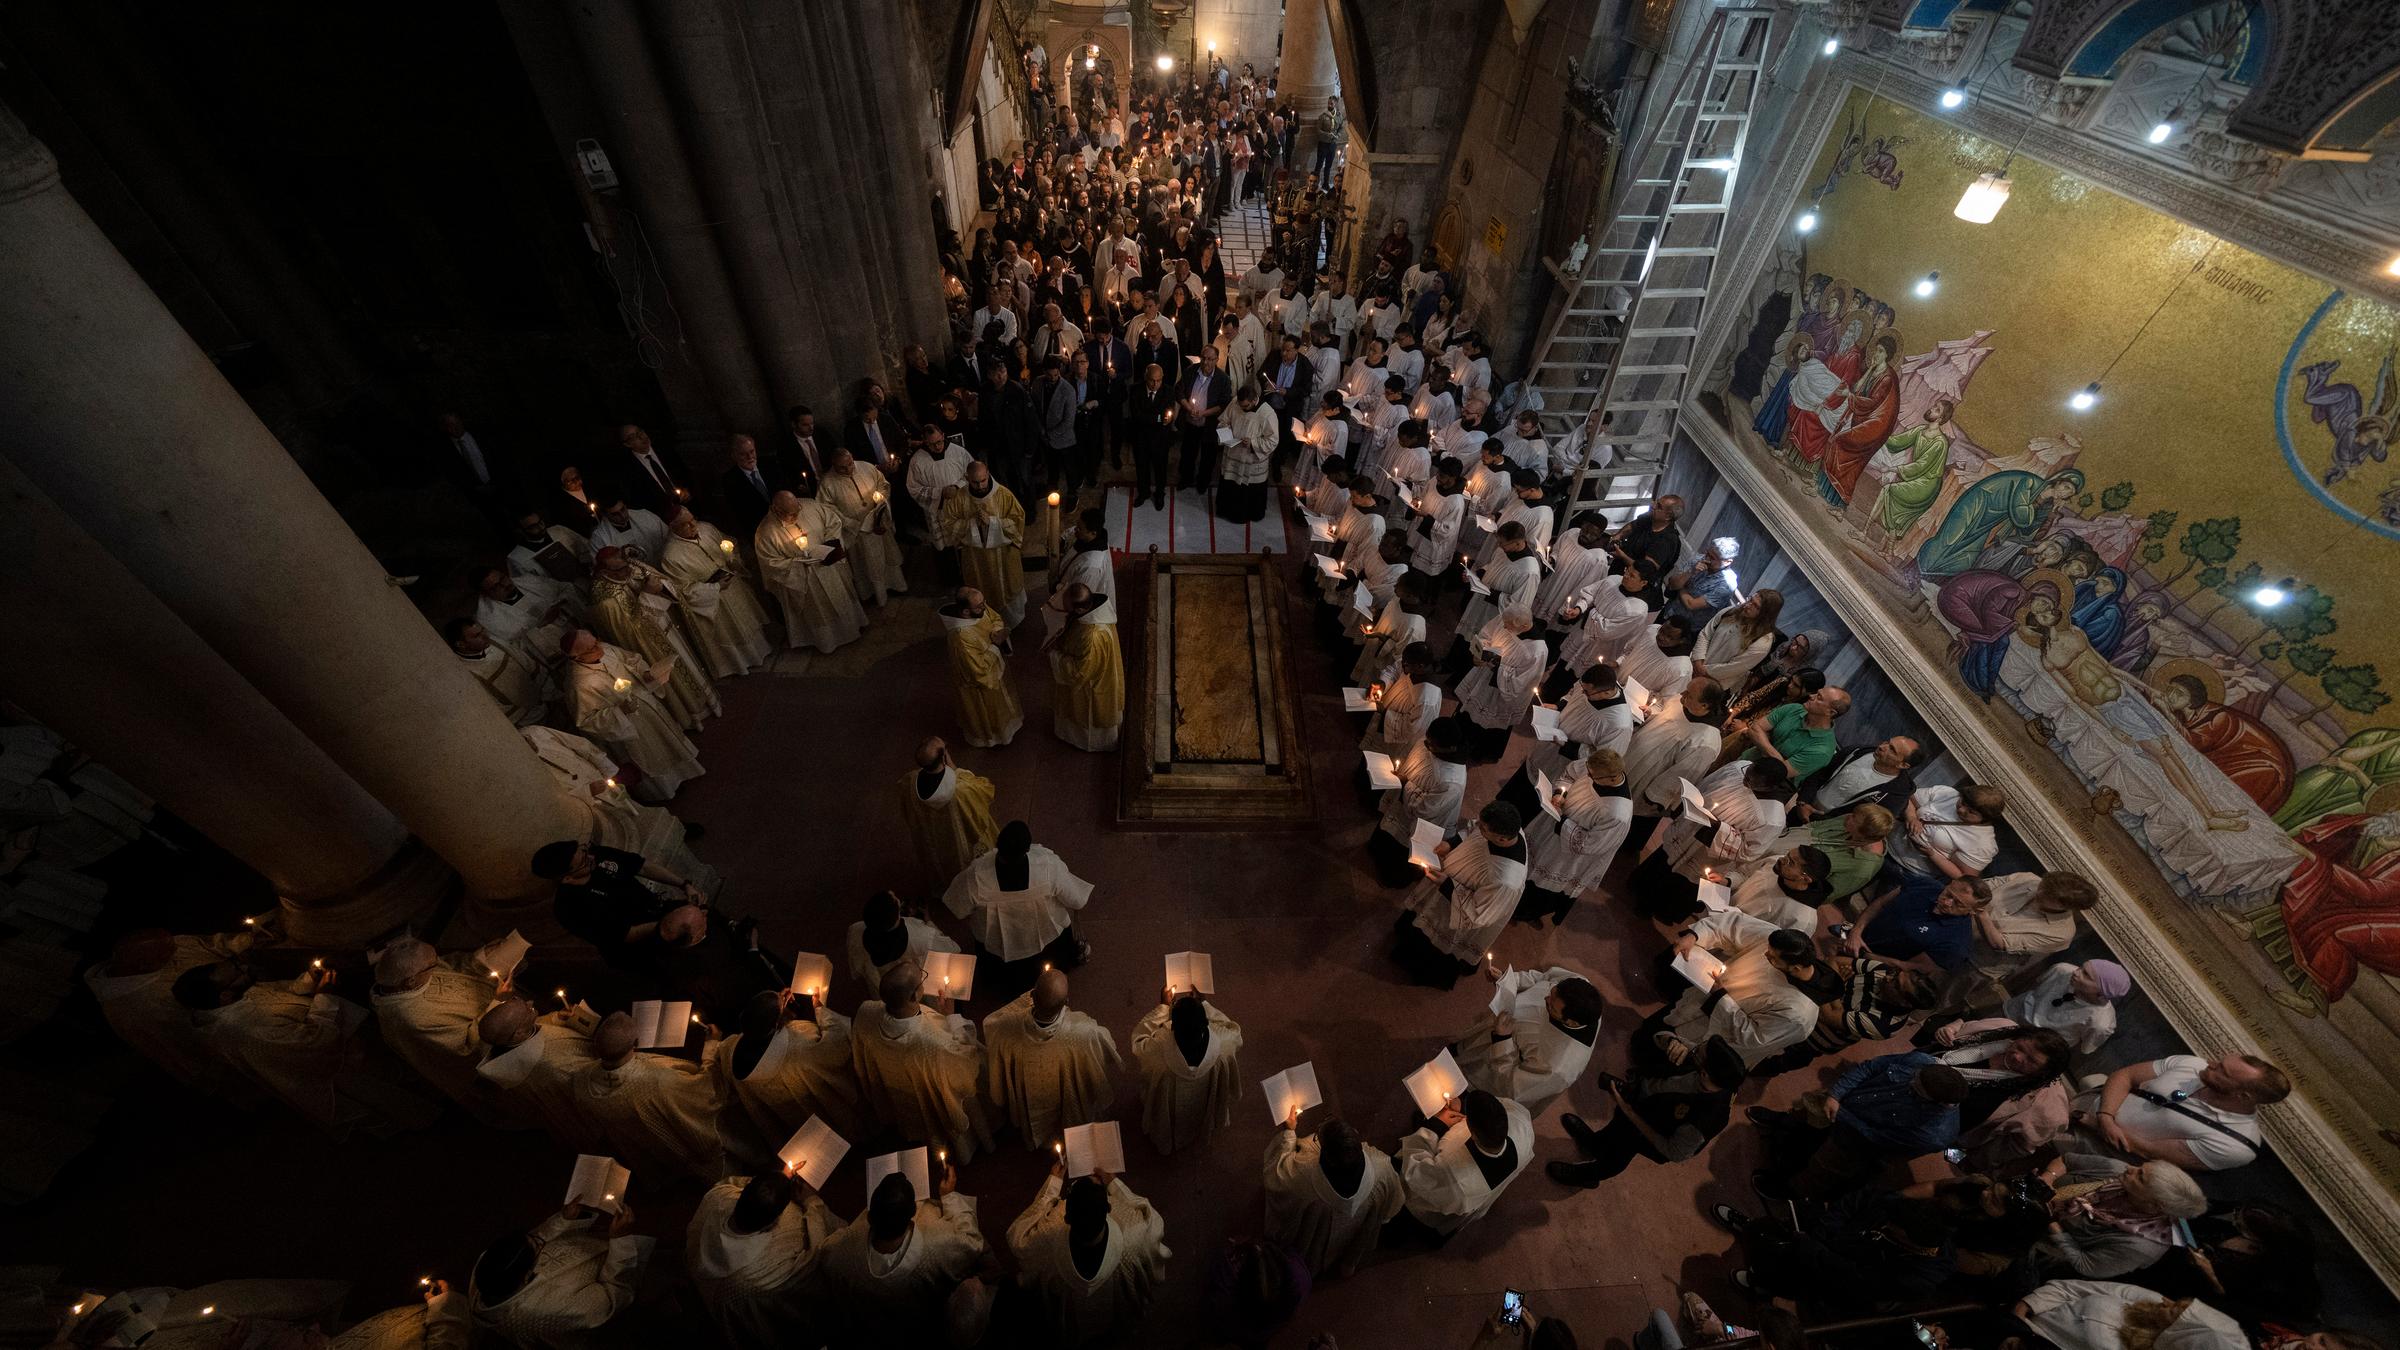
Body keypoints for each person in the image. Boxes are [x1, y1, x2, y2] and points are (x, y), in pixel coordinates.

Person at [173, 959, 440, 1138]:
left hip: (340, 1041)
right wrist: (324, 996)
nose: (246, 972)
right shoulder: (244, 1031)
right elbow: (314, 1047)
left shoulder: (227, 1000)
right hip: (335, 1069)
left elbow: (276, 992)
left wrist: (308, 982)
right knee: (387, 1098)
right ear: (225, 997)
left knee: (396, 1074)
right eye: (238, 975)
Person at [1751, 1055, 1968, 1201]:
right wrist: (1836, 1095)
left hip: (1855, 1143)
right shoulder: (1923, 1062)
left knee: (1821, 1169)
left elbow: (1875, 1139)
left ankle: (1789, 1191)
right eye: (1915, 1076)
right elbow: (1871, 1066)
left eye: (1917, 1087)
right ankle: (1783, 1123)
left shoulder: (1935, 1134)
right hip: (1843, 1102)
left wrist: (1839, 1112)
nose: (1911, 1080)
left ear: (1935, 1101)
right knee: (1803, 1116)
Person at [1547, 1035, 1746, 1189]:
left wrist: (1630, 1113)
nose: (1692, 1049)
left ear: (1704, 1072)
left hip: (1647, 1133)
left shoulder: (1706, 1118)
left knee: (1617, 1155)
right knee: (1614, 1130)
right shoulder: (1702, 1061)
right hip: (1640, 1104)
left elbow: (1675, 1152)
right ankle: (1594, 1144)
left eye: (1697, 1053)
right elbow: (1659, 1036)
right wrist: (1671, 1040)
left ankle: (1589, 1177)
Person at [818, 1169, 989, 1345]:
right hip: (924, 1317)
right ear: (911, 1217)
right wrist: (949, 1195)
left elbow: (825, 1251)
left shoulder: (843, 1250)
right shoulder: (938, 1245)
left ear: (869, 1217)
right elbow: (972, 1240)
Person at [850, 962, 996, 1163]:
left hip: (899, 1089)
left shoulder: (865, 1011)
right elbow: (965, 1061)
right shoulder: (934, 1043)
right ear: (914, 996)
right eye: (922, 981)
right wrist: (950, 1017)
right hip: (934, 1091)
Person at [1006, 1170, 1172, 1341]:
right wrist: (1113, 1183)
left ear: (1067, 1217)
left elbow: (1018, 1236)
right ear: (1108, 1209)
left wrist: (1053, 1183)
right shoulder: (1134, 1234)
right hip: (1120, 1309)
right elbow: (1149, 1216)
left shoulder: (1048, 1239)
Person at [685, 1170, 839, 1349]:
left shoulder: (718, 1197)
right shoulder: (762, 1272)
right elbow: (817, 1257)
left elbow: (733, 1182)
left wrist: (776, 1179)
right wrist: (811, 1202)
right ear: (773, 1220)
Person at [466, 1203, 651, 1350]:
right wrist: (620, 1240)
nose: (541, 1244)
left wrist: (563, 1219)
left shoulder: (489, 1265)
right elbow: (612, 1296)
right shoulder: (549, 1310)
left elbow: (533, 1238)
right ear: (526, 1278)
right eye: (538, 1249)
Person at [368, 936, 510, 1120]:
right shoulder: (412, 1019)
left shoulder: (411, 972)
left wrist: (485, 956)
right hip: (502, 1043)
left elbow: (452, 964)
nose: (438, 964)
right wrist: (498, 1004)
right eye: (432, 964)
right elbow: (467, 1048)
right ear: (411, 981)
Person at [572, 1009, 723, 1182]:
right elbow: (701, 1090)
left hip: (640, 1149)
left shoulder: (581, 1079)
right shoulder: (657, 1080)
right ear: (636, 1043)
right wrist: (712, 1046)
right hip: (674, 1146)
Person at [1394, 801, 1530, 988]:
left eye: (1484, 828)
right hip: (1448, 884)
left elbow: (1477, 913)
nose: (1478, 826)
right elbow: (1472, 829)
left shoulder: (1506, 881)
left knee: (1434, 942)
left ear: (1502, 839)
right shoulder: (1506, 829)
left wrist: (1447, 885)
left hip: (1454, 911)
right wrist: (1451, 844)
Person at [712, 989, 863, 1158]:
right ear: (776, 1024)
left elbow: (722, 1049)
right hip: (822, 1107)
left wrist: (774, 1003)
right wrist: (820, 1009)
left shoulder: (729, 1049)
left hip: (791, 1120)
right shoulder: (799, 1044)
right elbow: (837, 1045)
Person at [2076, 1052, 2286, 1173]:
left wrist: (2099, 1125)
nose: (2211, 1064)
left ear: (2243, 1096)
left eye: (2222, 1071)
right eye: (2220, 1061)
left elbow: (2149, 1151)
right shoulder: (2192, 1065)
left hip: (2105, 1155)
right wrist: (2106, 1115)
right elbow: (2125, 1076)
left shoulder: (2237, 1143)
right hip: (2091, 1107)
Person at [984, 968, 1122, 1150]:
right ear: (1066, 1002)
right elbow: (1107, 1047)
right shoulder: (1083, 1033)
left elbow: (989, 1023)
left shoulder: (1007, 1028)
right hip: (1065, 1096)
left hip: (1030, 1097)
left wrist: (1025, 1000)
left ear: (1032, 995)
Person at [942, 819, 1095, 978]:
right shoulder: (1047, 866)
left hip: (999, 957)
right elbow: (1076, 900)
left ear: (998, 844)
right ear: (1028, 848)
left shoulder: (976, 876)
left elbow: (957, 906)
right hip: (1048, 948)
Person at [564, 630, 705, 799]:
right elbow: (586, 721)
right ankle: (666, 790)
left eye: (597, 642)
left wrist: (645, 673)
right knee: (650, 751)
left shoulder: (606, 649)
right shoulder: (579, 684)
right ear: (577, 657)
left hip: (646, 703)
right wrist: (619, 711)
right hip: (629, 725)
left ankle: (687, 771)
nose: (599, 647)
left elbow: (632, 659)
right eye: (592, 648)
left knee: (665, 738)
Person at [587, 548, 720, 727]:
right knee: (677, 678)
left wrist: (657, 585)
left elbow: (665, 582)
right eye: (620, 569)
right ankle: (696, 714)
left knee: (690, 664)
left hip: (668, 627)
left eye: (627, 565)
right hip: (652, 646)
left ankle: (710, 701)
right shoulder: (604, 599)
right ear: (604, 572)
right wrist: (648, 593)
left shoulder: (631, 567)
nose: (628, 571)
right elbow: (631, 633)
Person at [1263, 1117, 1405, 1278]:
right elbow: (1390, 1208)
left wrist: (1288, 1133)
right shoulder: (1382, 1168)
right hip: (1357, 1234)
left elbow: (1276, 1173)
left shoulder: (1301, 1179)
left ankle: (1310, 1269)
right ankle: (1348, 1263)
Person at [1453, 963, 1604, 1112]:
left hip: (1490, 1072)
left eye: (1551, 1006)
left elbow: (1511, 1087)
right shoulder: (1579, 983)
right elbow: (1543, 978)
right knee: (1466, 1047)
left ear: (1571, 1022)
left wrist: (1502, 1040)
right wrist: (1511, 981)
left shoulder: (1557, 1067)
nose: (1546, 999)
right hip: (1497, 1028)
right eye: (1551, 993)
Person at [1392, 1088, 1535, 1240]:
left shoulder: (1453, 1176)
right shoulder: (1521, 1122)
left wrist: (1435, 1126)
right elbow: (1503, 1105)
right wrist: (1463, 1105)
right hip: (1476, 1196)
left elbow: (1416, 1175)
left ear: (1472, 1132)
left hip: (1436, 1206)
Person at [1514, 747, 1635, 927]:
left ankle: (1523, 912)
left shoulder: (1618, 813)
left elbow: (1591, 844)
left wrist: (1563, 823)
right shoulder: (1595, 767)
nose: (1588, 776)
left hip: (1566, 855)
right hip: (1551, 825)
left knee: (1541, 887)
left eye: (1593, 776)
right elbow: (1570, 774)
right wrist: (1559, 793)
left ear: (1611, 778)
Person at [2033, 1159, 2209, 1280]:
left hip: (2038, 1242)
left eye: (2140, 1177)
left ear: (2156, 1205)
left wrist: (2050, 1221)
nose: (2130, 1168)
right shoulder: (2116, 1171)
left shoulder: (2141, 1247)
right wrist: (2046, 1180)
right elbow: (2066, 1159)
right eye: (2140, 1167)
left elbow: (2085, 1265)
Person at [657, 508, 774, 679]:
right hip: (713, 600)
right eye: (686, 524)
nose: (693, 526)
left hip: (733, 588)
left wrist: (731, 557)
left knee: (745, 621)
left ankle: (761, 650)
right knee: (731, 630)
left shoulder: (707, 528)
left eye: (693, 519)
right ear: (672, 527)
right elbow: (683, 591)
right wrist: (716, 587)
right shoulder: (671, 556)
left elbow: (729, 544)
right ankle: (741, 663)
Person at [477, 996, 606, 1149]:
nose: (531, 1003)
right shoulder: (549, 1064)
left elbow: (535, 1026)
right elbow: (589, 1078)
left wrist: (557, 1018)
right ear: (518, 1033)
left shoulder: (508, 1037)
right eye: (528, 1010)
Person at [753, 490, 868, 654]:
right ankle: (828, 641)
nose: (796, 517)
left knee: (840, 597)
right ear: (776, 510)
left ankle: (851, 629)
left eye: (797, 510)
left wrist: (829, 544)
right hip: (806, 579)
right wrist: (799, 564)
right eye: (791, 514)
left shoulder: (811, 506)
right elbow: (770, 562)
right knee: (819, 611)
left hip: (828, 568)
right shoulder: (765, 532)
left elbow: (833, 522)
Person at [1131, 990, 1244, 1155]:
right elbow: (1233, 1030)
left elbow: (1139, 1040)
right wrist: (1204, 1004)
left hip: (1169, 1107)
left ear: (1173, 1026)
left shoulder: (1158, 1050)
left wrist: (1163, 1008)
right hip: (1205, 1098)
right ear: (1206, 1022)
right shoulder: (1224, 1044)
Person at [1370, 715, 1471, 887]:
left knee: (1402, 854)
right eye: (1427, 740)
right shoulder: (1433, 743)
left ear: (1450, 748)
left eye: (1431, 745)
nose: (1426, 745)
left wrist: (1405, 783)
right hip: (1406, 803)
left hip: (1426, 821)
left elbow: (1423, 810)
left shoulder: (1452, 781)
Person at [896, 736, 1001, 900]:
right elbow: (986, 791)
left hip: (931, 842)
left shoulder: (908, 782)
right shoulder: (961, 788)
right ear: (944, 756)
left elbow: (907, 813)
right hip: (961, 841)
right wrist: (956, 769)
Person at [2013, 1279, 2248, 1350]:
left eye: (2173, 1310)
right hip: (2019, 1314)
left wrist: (2020, 1332)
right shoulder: (2151, 1301)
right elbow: (2071, 1288)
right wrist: (2023, 1309)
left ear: (2177, 1335)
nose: (2165, 1301)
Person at [939, 462, 1029, 626]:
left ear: (988, 474)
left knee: (1007, 589)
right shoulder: (959, 498)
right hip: (975, 558)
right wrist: (972, 523)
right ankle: (985, 622)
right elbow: (948, 523)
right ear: (967, 478)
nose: (980, 486)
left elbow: (1018, 522)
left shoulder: (1004, 495)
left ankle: (1012, 622)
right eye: (975, 482)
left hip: (1003, 556)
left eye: (983, 480)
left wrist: (993, 523)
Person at [1849, 873, 1989, 974]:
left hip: (1872, 966)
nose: (1947, 903)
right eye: (1948, 894)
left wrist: (1862, 954)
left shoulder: (1957, 944)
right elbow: (1881, 903)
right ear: (1950, 883)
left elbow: (1907, 967)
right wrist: (1856, 932)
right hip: (1856, 937)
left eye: (1958, 904)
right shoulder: (1924, 884)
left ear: (1974, 911)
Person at [818, 447, 907, 607]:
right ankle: (873, 593)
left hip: (877, 523)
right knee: (867, 563)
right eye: (842, 468)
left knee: (886, 555)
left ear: (852, 458)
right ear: (833, 466)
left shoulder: (866, 467)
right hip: (857, 531)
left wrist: (880, 502)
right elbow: (827, 510)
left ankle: (895, 584)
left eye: (850, 464)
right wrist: (850, 522)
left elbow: (883, 484)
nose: (848, 470)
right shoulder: (827, 483)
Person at [939, 586, 1023, 748]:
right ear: (965, 612)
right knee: (990, 711)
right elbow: (977, 669)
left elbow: (995, 618)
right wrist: (995, 646)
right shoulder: (961, 637)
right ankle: (993, 737)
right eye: (980, 606)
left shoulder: (978, 608)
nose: (984, 608)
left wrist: (997, 631)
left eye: (984, 602)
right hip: (981, 684)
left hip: (995, 669)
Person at [1457, 613, 1546, 761]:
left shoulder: (1538, 650)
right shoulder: (1508, 619)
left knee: (1488, 721)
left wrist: (1497, 664)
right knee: (1469, 711)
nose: (1504, 627)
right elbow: (1486, 634)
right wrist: (1481, 651)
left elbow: (1521, 682)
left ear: (1523, 626)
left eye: (1508, 626)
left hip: (1501, 691)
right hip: (1483, 678)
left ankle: (1479, 750)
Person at [1046, 582, 1124, 751]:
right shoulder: (1094, 611)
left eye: (1069, 609)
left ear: (1080, 609)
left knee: (1089, 712)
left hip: (1092, 686)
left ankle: (1091, 743)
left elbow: (1080, 672)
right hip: (1094, 667)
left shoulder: (1094, 635)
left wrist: (1055, 657)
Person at [2004, 958, 2131, 1055]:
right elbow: (2037, 984)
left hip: (2037, 1046)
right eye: (2081, 967)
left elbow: (2086, 1047)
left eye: (2086, 975)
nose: (2076, 972)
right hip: (2013, 1014)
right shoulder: (2062, 970)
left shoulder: (2101, 1022)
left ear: (2102, 992)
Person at [1731, 684, 1850, 784]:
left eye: (1819, 697)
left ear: (1830, 712)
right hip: (1742, 761)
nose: (1811, 696)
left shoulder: (1823, 749)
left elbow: (1780, 771)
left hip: (1759, 785)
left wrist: (1765, 738)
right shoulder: (1794, 709)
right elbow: (1754, 728)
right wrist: (1776, 754)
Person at [847, 889, 961, 992]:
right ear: (897, 914)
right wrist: (929, 923)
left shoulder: (854, 930)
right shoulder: (923, 936)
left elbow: (858, 969)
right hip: (915, 986)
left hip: (883, 989)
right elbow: (953, 949)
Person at [450, 618, 552, 726]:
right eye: (476, 636)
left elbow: (526, 662)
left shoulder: (494, 642)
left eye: (483, 630)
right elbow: (498, 710)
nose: (485, 636)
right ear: (461, 644)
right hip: (528, 722)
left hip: (545, 698)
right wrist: (537, 715)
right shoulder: (467, 674)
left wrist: (548, 695)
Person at [1795, 735, 1924, 818]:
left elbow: (1866, 823)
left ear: (1903, 765)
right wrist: (1803, 801)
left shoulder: (1895, 795)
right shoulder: (1858, 751)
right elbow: (1821, 773)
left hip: (1824, 829)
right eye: (1887, 742)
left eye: (1892, 750)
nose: (1881, 747)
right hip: (1804, 805)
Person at [1174, 343, 1234, 491]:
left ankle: (1203, 481)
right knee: (1188, 452)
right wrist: (1189, 408)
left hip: (1209, 425)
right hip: (1190, 422)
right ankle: (1186, 478)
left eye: (1210, 359)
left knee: (1208, 455)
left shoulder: (1223, 379)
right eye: (1204, 358)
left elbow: (1224, 403)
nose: (1206, 362)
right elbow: (1179, 391)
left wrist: (1203, 413)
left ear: (1217, 360)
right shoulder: (1191, 371)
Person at [1218, 383, 1277, 522]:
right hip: (1233, 455)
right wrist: (1227, 431)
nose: (1242, 408)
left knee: (1247, 492)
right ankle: (1226, 511)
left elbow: (1273, 440)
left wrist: (1253, 443)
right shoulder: (1235, 403)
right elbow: (1223, 421)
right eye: (1240, 405)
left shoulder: (1267, 414)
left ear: (1254, 400)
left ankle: (1247, 515)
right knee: (1231, 486)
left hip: (1251, 460)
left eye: (1245, 406)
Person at [719, 435, 793, 541]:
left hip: (787, 520)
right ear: (734, 456)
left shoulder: (770, 465)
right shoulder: (730, 480)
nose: (750, 457)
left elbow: (785, 490)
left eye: (752, 451)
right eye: (743, 454)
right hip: (761, 530)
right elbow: (741, 513)